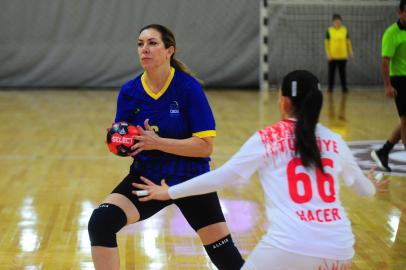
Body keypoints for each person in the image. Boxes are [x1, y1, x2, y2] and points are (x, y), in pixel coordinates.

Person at [133, 70, 389, 270]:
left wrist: (169, 192)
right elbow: (364, 191)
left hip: (289, 245)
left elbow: (222, 177)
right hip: (339, 248)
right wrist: (371, 183)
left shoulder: (268, 138)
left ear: (284, 102)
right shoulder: (335, 140)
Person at [88, 24, 244, 270]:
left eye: (152, 43)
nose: (144, 49)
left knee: (227, 258)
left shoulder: (188, 88)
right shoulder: (130, 91)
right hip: (146, 179)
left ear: (169, 50)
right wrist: (120, 141)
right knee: (101, 222)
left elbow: (205, 147)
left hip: (190, 181)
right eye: (140, 44)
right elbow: (126, 137)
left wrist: (157, 142)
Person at [371, 0, 406, 172]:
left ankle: (383, 151)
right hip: (400, 79)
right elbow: (385, 62)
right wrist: (387, 86)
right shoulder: (391, 33)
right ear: (399, 12)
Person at [325, 14, 353, 93]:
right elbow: (326, 44)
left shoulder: (344, 30)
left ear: (341, 22)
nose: (337, 23)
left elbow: (348, 42)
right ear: (333, 22)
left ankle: (344, 88)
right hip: (332, 57)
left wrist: (350, 52)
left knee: (342, 73)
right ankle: (330, 88)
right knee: (331, 74)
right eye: (336, 21)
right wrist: (328, 54)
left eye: (339, 21)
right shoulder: (329, 30)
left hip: (342, 56)